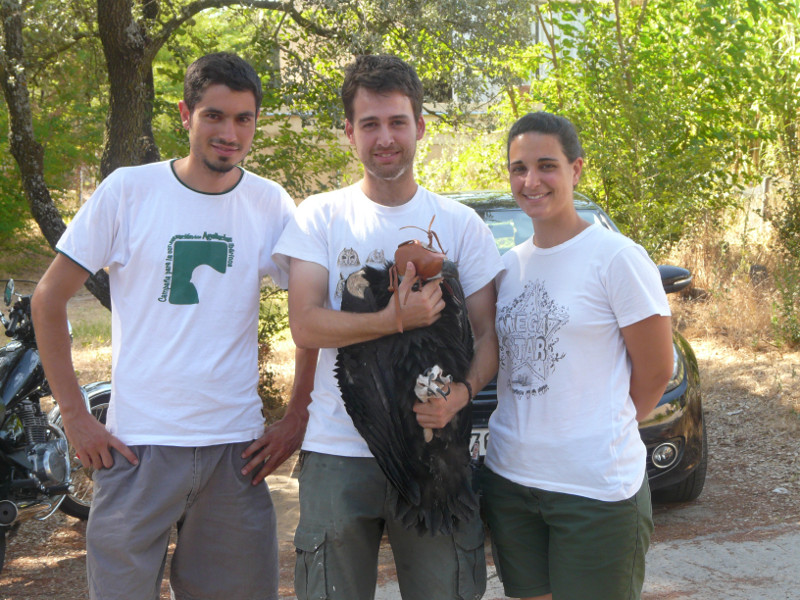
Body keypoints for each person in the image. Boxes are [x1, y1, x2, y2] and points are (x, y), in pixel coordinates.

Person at [31, 52, 315, 600]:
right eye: (214, 115)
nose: (229, 132)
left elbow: (310, 316)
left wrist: (297, 414)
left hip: (235, 451)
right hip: (137, 448)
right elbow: (48, 299)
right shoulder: (128, 191)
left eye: (243, 118)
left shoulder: (269, 203)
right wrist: (74, 416)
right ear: (185, 114)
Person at [272, 54, 503, 600]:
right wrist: (392, 319)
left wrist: (462, 395)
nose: (385, 137)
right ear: (350, 133)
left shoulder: (461, 225)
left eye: (398, 122)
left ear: (420, 127)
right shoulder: (320, 216)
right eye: (370, 124)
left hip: (436, 451)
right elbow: (304, 324)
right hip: (337, 452)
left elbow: (488, 336)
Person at [477, 111, 675, 600]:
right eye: (519, 168)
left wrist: (597, 434)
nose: (531, 180)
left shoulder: (617, 258)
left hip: (595, 492)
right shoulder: (508, 268)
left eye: (547, 165)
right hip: (511, 481)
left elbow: (656, 371)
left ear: (576, 169)